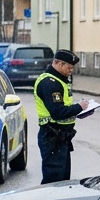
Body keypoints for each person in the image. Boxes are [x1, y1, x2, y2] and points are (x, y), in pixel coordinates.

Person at [33, 49, 92, 184]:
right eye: (69, 67)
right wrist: (79, 107)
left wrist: (80, 112)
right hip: (52, 136)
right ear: (59, 64)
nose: (71, 70)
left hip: (60, 137)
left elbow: (64, 109)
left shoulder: (60, 81)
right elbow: (57, 112)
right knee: (54, 180)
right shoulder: (50, 83)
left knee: (63, 179)